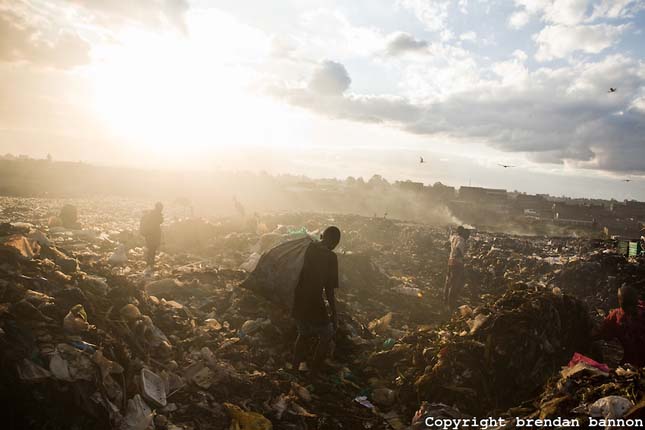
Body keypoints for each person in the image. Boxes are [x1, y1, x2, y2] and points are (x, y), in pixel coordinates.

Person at [291, 226, 341, 372]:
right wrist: (334, 312)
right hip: (314, 301)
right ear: (334, 241)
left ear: (322, 236)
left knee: (303, 334)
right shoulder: (331, 258)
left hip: (298, 298)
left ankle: (294, 368)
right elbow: (329, 289)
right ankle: (314, 370)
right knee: (327, 334)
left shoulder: (308, 248)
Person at [593, 286, 645, 367]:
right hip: (631, 359)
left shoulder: (642, 312)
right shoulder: (615, 316)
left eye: (632, 305)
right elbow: (603, 333)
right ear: (621, 303)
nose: (630, 310)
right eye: (626, 306)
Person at [443, 226, 470, 309]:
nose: (468, 236)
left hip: (450, 261)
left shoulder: (454, 237)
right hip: (457, 263)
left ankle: (445, 300)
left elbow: (446, 244)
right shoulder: (461, 240)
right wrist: (462, 257)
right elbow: (458, 250)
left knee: (448, 281)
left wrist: (451, 253)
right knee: (454, 283)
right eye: (467, 234)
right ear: (462, 233)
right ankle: (450, 304)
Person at [140, 202, 164, 268]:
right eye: (161, 208)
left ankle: (149, 264)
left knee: (150, 249)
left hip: (149, 235)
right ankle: (150, 264)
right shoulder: (157, 214)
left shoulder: (150, 213)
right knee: (152, 250)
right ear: (160, 208)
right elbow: (161, 221)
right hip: (154, 235)